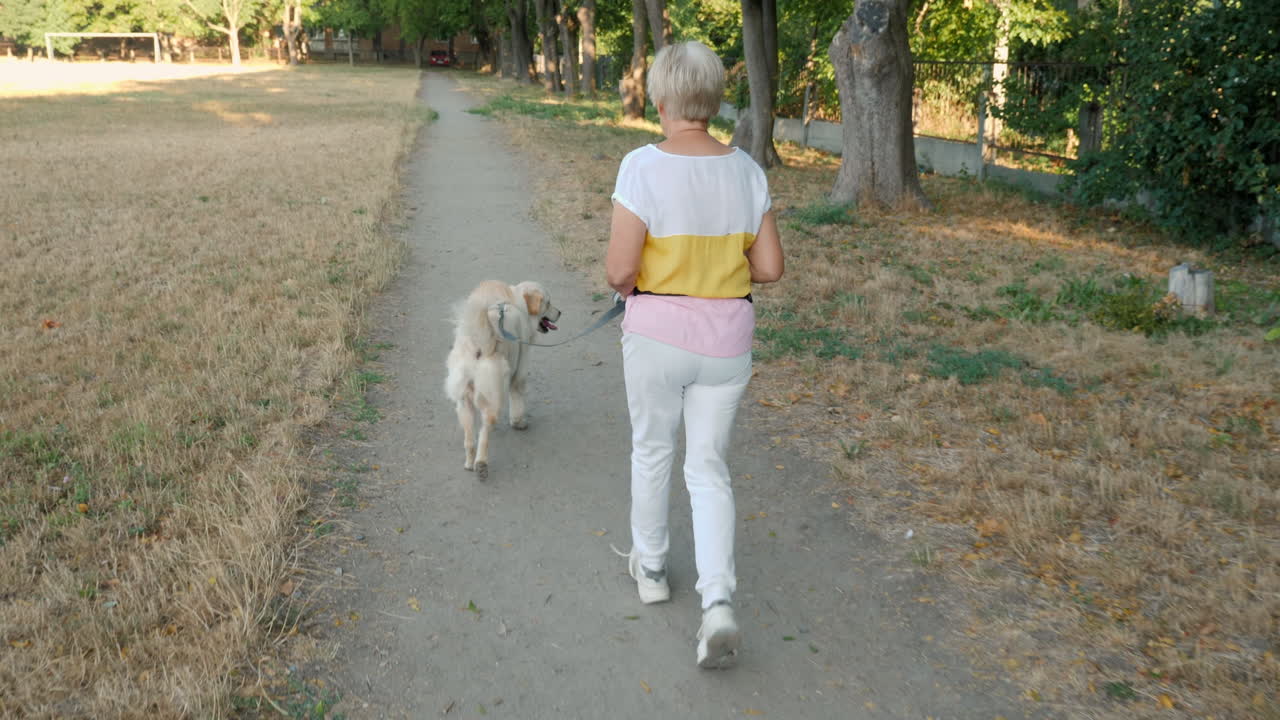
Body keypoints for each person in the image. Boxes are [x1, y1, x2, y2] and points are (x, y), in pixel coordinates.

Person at [605, 40, 783, 669]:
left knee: (653, 450)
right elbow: (770, 268)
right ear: (712, 100)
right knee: (708, 468)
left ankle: (651, 569)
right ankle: (718, 605)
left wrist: (637, 285)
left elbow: (620, 268)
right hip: (727, 343)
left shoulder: (641, 166)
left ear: (659, 100)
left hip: (656, 336)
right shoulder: (748, 171)